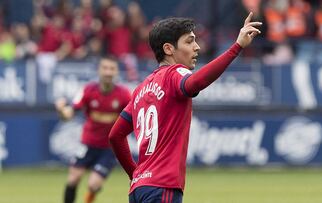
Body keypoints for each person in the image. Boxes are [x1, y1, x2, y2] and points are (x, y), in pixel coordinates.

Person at [109, 12, 261, 202]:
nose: (197, 47)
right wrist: (236, 47)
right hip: (162, 186)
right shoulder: (175, 73)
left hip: (139, 190)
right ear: (168, 49)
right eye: (189, 42)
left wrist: (136, 175)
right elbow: (195, 83)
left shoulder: (141, 89)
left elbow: (115, 135)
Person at [55, 56, 132, 203]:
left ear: (116, 72)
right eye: (105, 68)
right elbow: (68, 114)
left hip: (110, 149)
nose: (108, 72)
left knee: (93, 184)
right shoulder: (88, 90)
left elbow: (135, 116)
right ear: (99, 70)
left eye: (112, 69)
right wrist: (60, 110)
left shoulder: (124, 94)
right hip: (88, 144)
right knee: (73, 178)